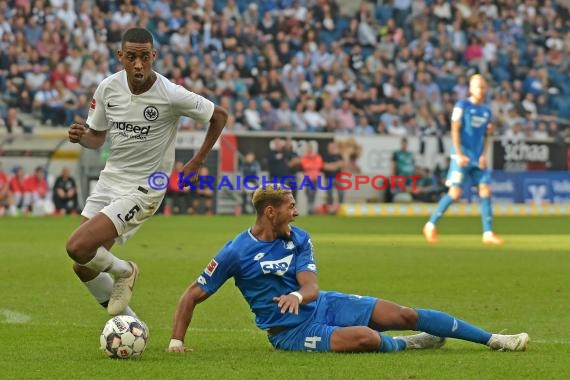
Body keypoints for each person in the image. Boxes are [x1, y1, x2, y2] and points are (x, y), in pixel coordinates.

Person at [167, 185, 529, 353]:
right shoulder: (235, 252)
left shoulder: (298, 238)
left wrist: (296, 294)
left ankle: (494, 339)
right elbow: (192, 295)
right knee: (367, 338)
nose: (297, 212)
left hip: (322, 304)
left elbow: (309, 286)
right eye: (291, 207)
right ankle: (408, 346)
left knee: (403, 313)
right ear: (270, 212)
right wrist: (176, 342)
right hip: (289, 333)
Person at [65, 28, 228, 318]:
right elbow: (97, 138)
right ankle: (131, 325)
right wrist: (82, 137)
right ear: (121, 57)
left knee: (77, 247)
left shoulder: (170, 94)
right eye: (131, 57)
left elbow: (220, 115)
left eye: (144, 57)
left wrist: (197, 161)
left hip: (145, 188)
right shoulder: (107, 88)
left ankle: (125, 271)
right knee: (83, 263)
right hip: (111, 179)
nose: (138, 64)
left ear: (154, 56)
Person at [423, 75, 503, 245]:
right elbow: (454, 130)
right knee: (455, 193)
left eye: (483, 87)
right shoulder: (462, 106)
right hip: (462, 155)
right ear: (470, 88)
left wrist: (484, 155)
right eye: (477, 87)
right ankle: (430, 225)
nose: (480, 90)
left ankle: (487, 233)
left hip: (477, 157)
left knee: (485, 191)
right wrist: (458, 153)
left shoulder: (486, 111)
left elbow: (487, 135)